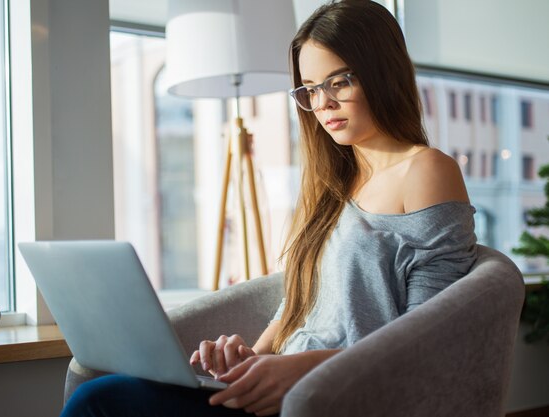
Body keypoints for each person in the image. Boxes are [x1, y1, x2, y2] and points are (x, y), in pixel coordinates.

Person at [60, 1, 477, 416]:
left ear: (383, 73)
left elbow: (425, 336)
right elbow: (301, 305)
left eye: (340, 81)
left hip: (331, 395)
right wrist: (251, 358)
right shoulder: (334, 182)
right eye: (311, 89)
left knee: (100, 401)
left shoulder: (426, 170)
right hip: (278, 388)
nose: (323, 104)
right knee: (104, 389)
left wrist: (294, 371)